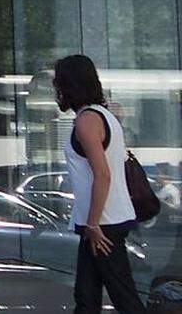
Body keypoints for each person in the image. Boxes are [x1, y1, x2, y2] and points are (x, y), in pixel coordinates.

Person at [54, 54, 147, 314]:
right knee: (86, 295)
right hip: (99, 221)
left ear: (68, 85)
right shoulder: (103, 115)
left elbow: (102, 175)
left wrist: (93, 224)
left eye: (58, 84)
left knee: (122, 296)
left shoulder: (87, 121)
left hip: (102, 223)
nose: (56, 91)